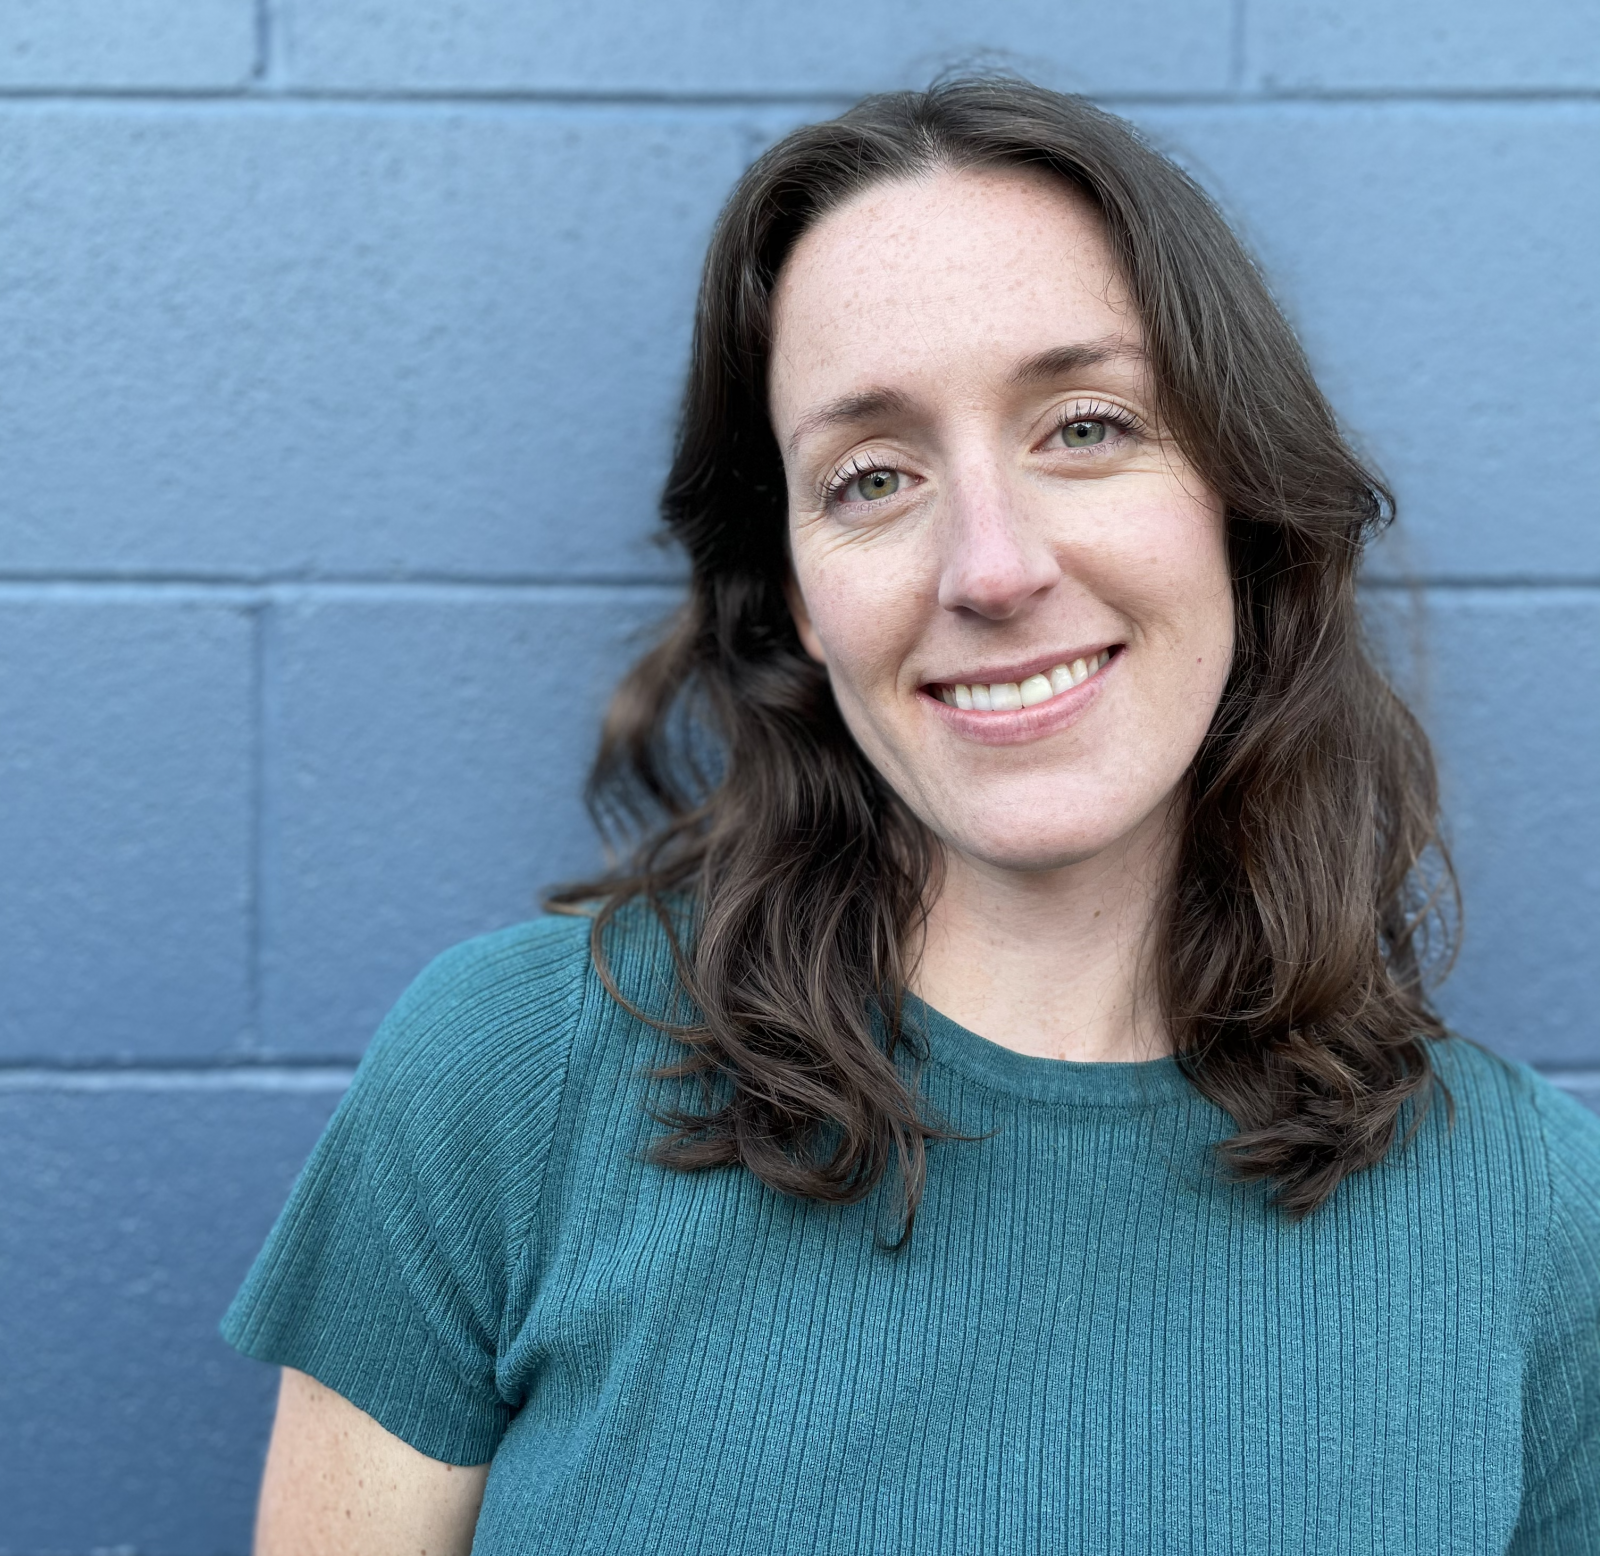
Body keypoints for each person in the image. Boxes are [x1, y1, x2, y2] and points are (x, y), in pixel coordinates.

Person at [223, 78, 1600, 1554]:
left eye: (1084, 425)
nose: (991, 569)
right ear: (802, 597)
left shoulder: (1528, 1217)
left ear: (1239, 506)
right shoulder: (513, 1082)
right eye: (871, 477)